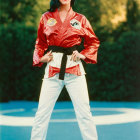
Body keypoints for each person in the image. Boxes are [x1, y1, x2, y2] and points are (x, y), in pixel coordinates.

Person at [30, 0, 100, 140]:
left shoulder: (81, 19)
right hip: (52, 68)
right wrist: (39, 58)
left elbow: (93, 42)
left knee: (85, 114)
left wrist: (83, 55)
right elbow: (40, 42)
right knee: (41, 114)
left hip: (75, 69)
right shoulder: (46, 17)